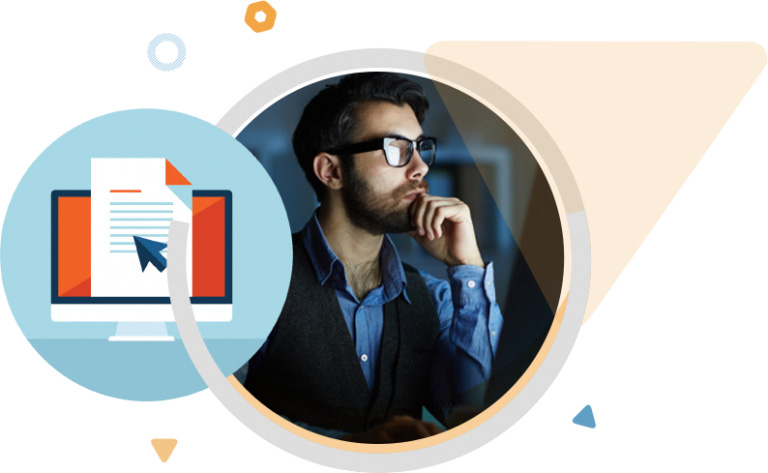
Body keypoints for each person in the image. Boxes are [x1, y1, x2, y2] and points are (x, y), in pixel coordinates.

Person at [243, 72, 503, 443]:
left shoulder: (437, 298)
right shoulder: (252, 283)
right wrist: (358, 449)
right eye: (396, 149)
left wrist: (467, 268)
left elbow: (485, 419)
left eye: (420, 147)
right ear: (330, 171)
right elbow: (214, 424)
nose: (421, 168)